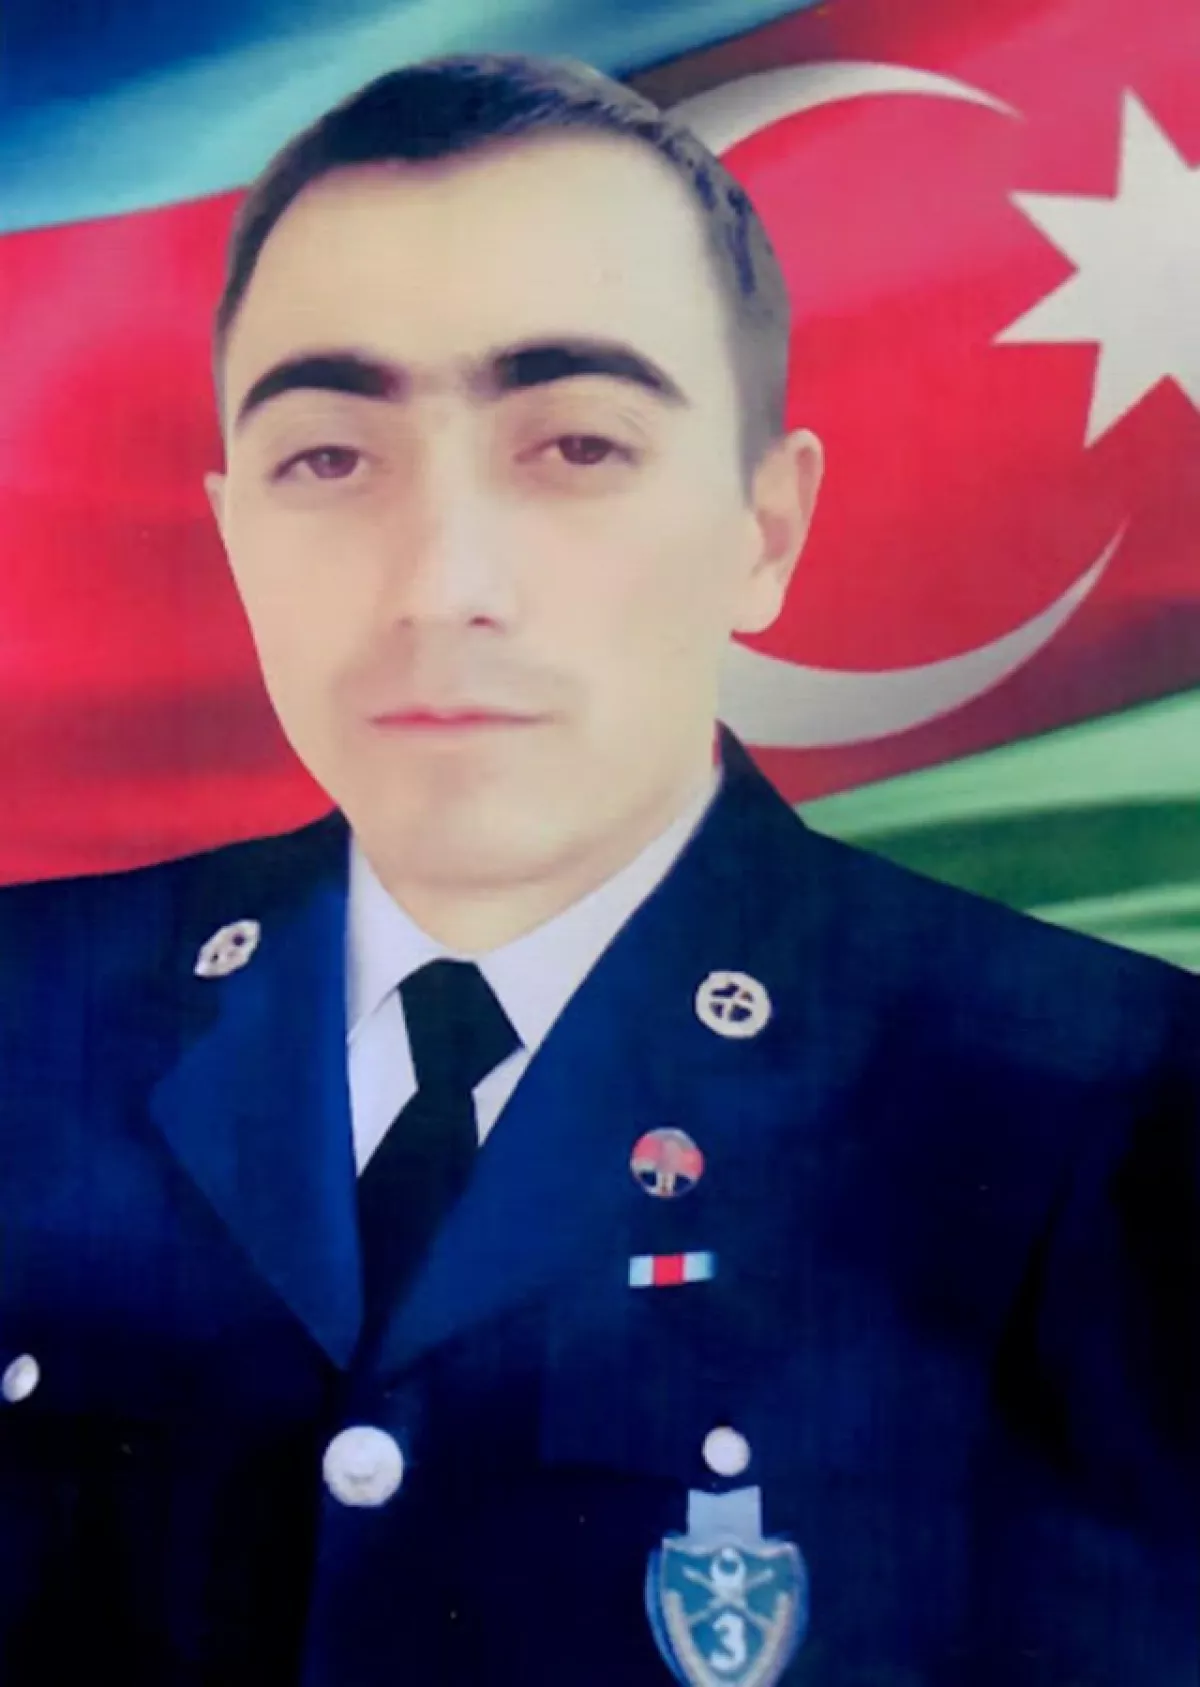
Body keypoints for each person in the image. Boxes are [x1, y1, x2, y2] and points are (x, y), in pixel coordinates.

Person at [0, 52, 1196, 1687]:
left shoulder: (1108, 1109)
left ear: (766, 529)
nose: (443, 581)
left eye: (574, 445)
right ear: (235, 530)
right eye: (329, 459)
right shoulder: (26, 1021)